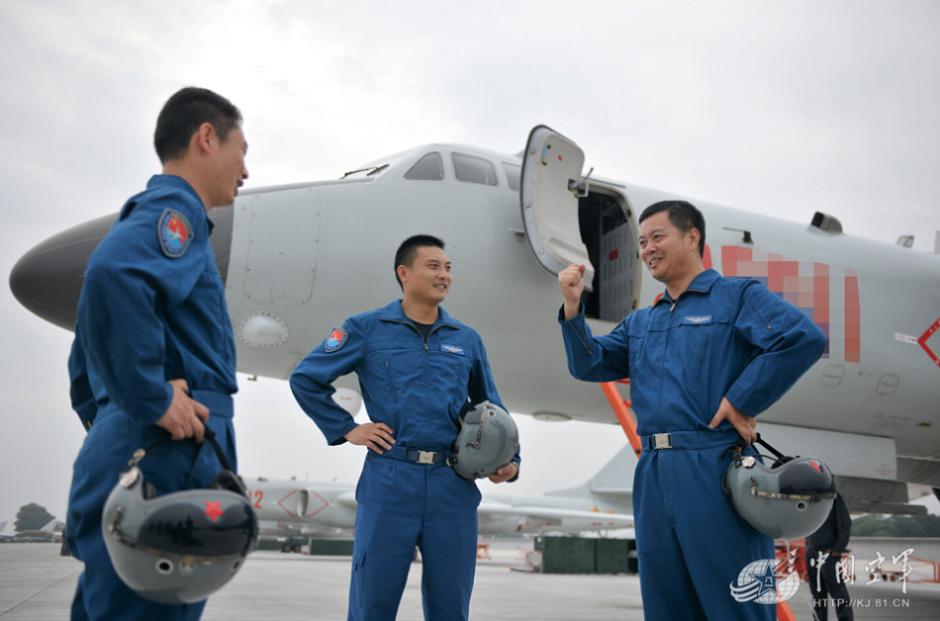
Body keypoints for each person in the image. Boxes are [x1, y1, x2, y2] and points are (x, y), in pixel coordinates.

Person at [557, 200, 826, 620]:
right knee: (666, 603)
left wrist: (742, 398)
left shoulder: (737, 296)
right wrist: (572, 309)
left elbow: (801, 338)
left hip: (714, 465)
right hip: (653, 469)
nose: (647, 249)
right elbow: (588, 363)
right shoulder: (641, 322)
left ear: (692, 237)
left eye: (657, 237)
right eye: (642, 242)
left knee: (737, 601)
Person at [66, 87, 249, 621]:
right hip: (168, 445)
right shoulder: (175, 212)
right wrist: (149, 402)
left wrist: (116, 419)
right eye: (242, 149)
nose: (246, 170)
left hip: (133, 441)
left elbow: (85, 359)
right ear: (206, 138)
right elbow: (114, 277)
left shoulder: (139, 222)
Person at [290, 234, 520, 621]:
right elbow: (306, 378)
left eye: (448, 268)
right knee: (372, 602)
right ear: (404, 272)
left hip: (453, 486)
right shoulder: (366, 329)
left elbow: (492, 408)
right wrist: (347, 428)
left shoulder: (466, 339)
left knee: (451, 605)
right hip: (390, 479)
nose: (444, 275)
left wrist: (510, 462)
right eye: (433, 266)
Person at [806, 494, 854, 620]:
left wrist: (838, 548)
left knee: (838, 592)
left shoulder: (834, 497)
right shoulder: (809, 498)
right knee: (817, 595)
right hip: (812, 553)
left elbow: (845, 523)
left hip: (829, 553)